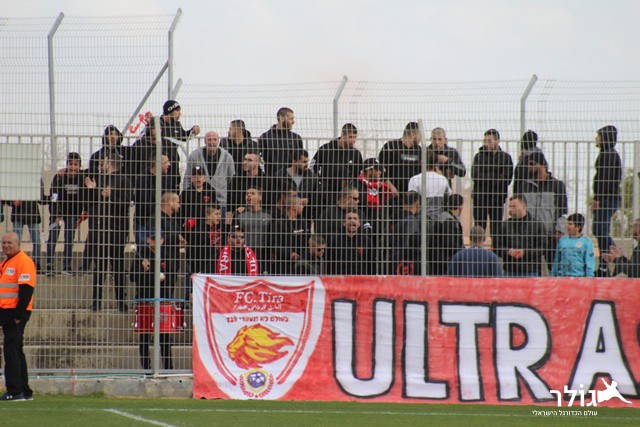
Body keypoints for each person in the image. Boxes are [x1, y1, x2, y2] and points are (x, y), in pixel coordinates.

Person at [84, 153, 132, 311]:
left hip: (117, 230)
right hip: (101, 229)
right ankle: (96, 302)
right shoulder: (100, 179)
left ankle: (121, 302)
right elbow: (93, 203)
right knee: (100, 266)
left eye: (105, 162)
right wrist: (92, 190)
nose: (102, 164)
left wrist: (112, 196)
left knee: (117, 265)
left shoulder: (124, 180)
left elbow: (126, 203)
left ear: (110, 163)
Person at [129, 229, 174, 370]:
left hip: (162, 301)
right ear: (148, 239)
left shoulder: (166, 256)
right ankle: (146, 368)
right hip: (144, 299)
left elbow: (172, 278)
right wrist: (143, 269)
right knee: (144, 336)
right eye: (153, 238)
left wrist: (163, 276)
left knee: (164, 336)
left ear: (163, 240)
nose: (156, 241)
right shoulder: (141, 255)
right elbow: (132, 277)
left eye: (159, 238)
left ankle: (168, 368)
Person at [0, 232, 36, 401]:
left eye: (10, 242)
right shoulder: (7, 262)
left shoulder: (23, 261)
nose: (6, 245)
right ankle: (24, 390)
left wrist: (18, 316)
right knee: (16, 349)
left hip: (15, 313)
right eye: (4, 242)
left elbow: (26, 290)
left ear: (18, 244)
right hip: (7, 312)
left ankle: (15, 391)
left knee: (11, 350)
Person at [520, 152, 568, 270]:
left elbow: (562, 210)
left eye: (531, 164)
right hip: (531, 235)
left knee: (554, 269)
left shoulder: (557, 185)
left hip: (550, 235)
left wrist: (559, 230)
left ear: (541, 165)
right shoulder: (525, 185)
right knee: (532, 270)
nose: (529, 167)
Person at [46, 152, 86, 275]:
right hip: (57, 214)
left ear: (79, 166)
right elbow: (53, 197)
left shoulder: (82, 177)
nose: (73, 167)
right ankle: (49, 265)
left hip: (73, 214)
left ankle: (66, 266)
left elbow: (84, 196)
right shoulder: (59, 177)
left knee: (69, 239)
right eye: (70, 164)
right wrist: (56, 215)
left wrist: (83, 211)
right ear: (66, 164)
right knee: (52, 238)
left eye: (76, 164)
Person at [592, 125, 622, 277]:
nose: (596, 139)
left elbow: (605, 179)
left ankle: (618, 259)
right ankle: (604, 267)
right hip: (607, 198)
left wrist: (598, 197)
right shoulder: (607, 153)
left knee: (599, 230)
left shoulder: (609, 154)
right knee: (600, 230)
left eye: (599, 136)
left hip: (607, 198)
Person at [492, 195, 546, 277]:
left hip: (531, 270)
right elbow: (496, 246)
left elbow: (543, 248)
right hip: (510, 269)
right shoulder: (504, 225)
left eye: (514, 206)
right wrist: (508, 251)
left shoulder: (537, 225)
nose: (511, 209)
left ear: (524, 207)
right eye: (510, 206)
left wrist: (525, 252)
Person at [310, 123, 363, 206]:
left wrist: (350, 185)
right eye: (350, 137)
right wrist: (320, 183)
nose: (353, 140)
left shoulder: (356, 153)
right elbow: (313, 167)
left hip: (345, 194)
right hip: (326, 192)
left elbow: (358, 174)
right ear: (343, 135)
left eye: (355, 137)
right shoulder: (326, 149)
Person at [182, 131, 235, 212]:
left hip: (221, 203)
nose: (212, 142)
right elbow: (187, 178)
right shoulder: (195, 156)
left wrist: (229, 202)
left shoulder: (227, 157)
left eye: (214, 139)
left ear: (218, 141)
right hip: (199, 203)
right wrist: (188, 197)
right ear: (205, 141)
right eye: (209, 139)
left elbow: (232, 181)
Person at [471, 129, 514, 230]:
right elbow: (475, 176)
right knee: (479, 227)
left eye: (489, 141)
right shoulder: (478, 157)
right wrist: (496, 175)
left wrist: (485, 177)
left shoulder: (505, 158)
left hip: (497, 199)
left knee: (496, 229)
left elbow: (507, 179)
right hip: (480, 199)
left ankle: (496, 241)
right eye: (485, 141)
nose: (486, 144)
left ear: (497, 141)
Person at [133, 153, 172, 246]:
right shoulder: (142, 179)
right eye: (166, 162)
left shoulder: (165, 179)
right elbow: (144, 203)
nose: (169, 164)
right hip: (144, 223)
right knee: (144, 249)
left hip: (161, 223)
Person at [270, 190, 311, 275]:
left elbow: (308, 241)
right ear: (293, 207)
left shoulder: (304, 223)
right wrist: (289, 254)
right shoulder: (279, 223)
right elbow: (274, 244)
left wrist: (303, 255)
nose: (302, 207)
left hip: (302, 263)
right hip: (284, 264)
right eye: (300, 204)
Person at [274, 148, 320, 220]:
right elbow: (274, 197)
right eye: (304, 162)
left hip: (304, 217)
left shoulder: (312, 177)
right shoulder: (280, 176)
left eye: (307, 161)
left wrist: (308, 200)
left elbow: (316, 196)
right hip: (285, 218)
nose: (306, 165)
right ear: (294, 162)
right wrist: (290, 199)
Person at [378, 122, 422, 193]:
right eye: (420, 136)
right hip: (392, 193)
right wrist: (390, 186)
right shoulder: (390, 147)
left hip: (412, 194)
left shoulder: (419, 150)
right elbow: (381, 169)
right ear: (413, 135)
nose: (421, 139)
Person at [258, 107, 304, 175]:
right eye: (291, 119)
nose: (293, 122)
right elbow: (256, 157)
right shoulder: (265, 137)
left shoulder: (296, 138)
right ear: (281, 119)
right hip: (271, 178)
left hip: (291, 178)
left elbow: (301, 160)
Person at [234, 187, 272, 268]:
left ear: (260, 197)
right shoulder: (240, 215)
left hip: (263, 253)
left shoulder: (268, 215)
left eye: (252, 193)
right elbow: (234, 232)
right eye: (247, 193)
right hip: (244, 252)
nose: (249, 195)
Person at [327, 209, 374, 275]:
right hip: (339, 277)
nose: (352, 220)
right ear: (344, 223)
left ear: (359, 224)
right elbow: (329, 262)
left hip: (360, 278)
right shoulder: (334, 240)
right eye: (349, 218)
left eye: (355, 218)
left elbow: (371, 263)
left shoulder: (366, 241)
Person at [407, 151, 452, 218]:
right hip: (438, 218)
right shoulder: (443, 179)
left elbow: (411, 200)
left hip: (420, 218)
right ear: (436, 165)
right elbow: (450, 195)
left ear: (421, 163)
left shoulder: (414, 179)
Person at [226, 151, 266, 224]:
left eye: (249, 160)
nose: (245, 162)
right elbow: (230, 202)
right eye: (244, 159)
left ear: (257, 163)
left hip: (261, 216)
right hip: (239, 216)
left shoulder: (266, 180)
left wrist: (247, 209)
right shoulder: (236, 179)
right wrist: (228, 223)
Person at [429, 194, 464, 276]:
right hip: (444, 261)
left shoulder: (444, 217)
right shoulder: (448, 220)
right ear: (460, 207)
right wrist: (463, 251)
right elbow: (450, 243)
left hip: (437, 258)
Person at [551, 213, 595, 277]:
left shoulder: (587, 242)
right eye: (567, 224)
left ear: (578, 227)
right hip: (563, 277)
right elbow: (557, 260)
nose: (567, 226)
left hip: (579, 278)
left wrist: (589, 278)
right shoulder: (562, 240)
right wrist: (553, 276)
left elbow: (589, 263)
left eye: (570, 224)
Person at [390, 191, 422, 275]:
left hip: (389, 260)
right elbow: (413, 242)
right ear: (417, 204)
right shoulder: (411, 220)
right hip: (406, 265)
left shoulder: (391, 218)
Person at [513, 130, 544, 194]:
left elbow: (519, 176)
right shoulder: (540, 156)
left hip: (525, 192)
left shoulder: (528, 159)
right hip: (535, 192)